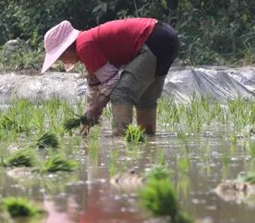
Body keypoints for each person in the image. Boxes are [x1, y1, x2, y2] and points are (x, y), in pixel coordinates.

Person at [40, 17, 179, 135]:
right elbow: (94, 87)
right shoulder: (87, 44)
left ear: (67, 47)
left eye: (60, 56)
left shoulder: (84, 46)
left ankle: (120, 144)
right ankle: (148, 142)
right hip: (166, 37)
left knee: (121, 93)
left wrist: (96, 109)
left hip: (152, 39)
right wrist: (87, 119)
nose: (62, 61)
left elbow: (112, 81)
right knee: (145, 99)